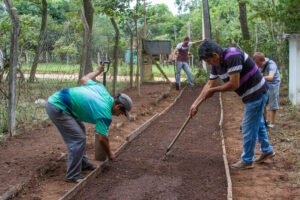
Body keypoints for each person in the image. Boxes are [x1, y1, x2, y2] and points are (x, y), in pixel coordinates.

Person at [190, 40, 275, 169]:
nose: (208, 63)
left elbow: (233, 84)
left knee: (248, 127)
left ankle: (247, 160)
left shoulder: (233, 56)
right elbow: (209, 84)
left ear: (215, 55)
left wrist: (213, 91)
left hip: (257, 93)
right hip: (250, 95)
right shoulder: (216, 65)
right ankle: (267, 150)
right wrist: (195, 104)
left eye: (208, 60)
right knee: (257, 123)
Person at [46, 63, 133, 183]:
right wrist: (110, 153)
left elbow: (85, 79)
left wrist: (97, 71)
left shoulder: (101, 89)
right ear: (118, 106)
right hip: (58, 107)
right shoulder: (105, 114)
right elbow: (102, 139)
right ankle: (72, 175)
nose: (120, 115)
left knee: (80, 132)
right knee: (77, 139)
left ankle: (84, 164)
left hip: (66, 105)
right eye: (122, 113)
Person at [253, 52, 281, 130]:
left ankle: (272, 124)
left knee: (272, 103)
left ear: (262, 61)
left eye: (257, 64)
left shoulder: (272, 64)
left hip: (273, 84)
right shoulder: (260, 64)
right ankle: (265, 122)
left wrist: (259, 77)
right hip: (265, 84)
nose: (257, 66)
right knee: (263, 102)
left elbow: (271, 77)